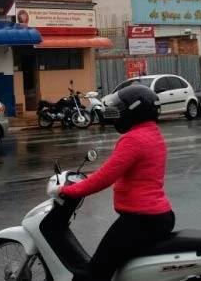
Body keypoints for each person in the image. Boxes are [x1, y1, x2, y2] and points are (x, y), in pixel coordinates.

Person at [52, 84, 175, 281]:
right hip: (159, 216)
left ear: (134, 110)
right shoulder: (152, 133)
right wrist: (85, 181)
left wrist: (70, 190)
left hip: (141, 220)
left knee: (96, 272)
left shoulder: (134, 139)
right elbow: (112, 171)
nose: (119, 113)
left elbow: (106, 177)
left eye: (122, 109)